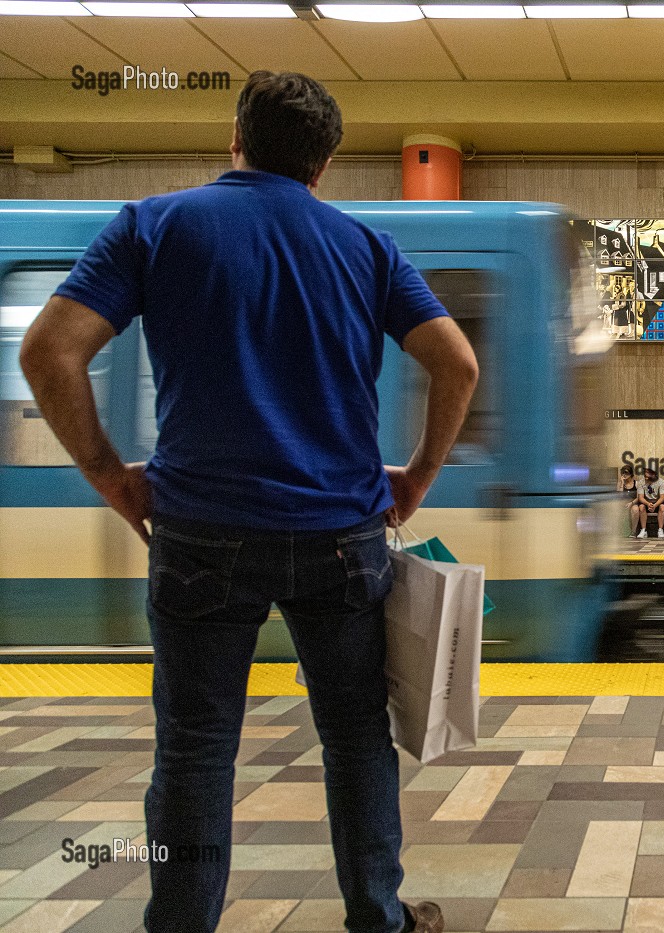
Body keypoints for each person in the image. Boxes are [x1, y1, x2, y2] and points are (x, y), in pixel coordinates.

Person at [17, 72, 465, 933]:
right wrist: (415, 478)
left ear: (236, 136)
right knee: (355, 738)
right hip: (341, 534)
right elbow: (457, 363)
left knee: (193, 749)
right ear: (324, 162)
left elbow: (49, 354)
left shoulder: (154, 224)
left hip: (197, 536)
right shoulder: (366, 247)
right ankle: (379, 916)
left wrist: (112, 475)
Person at [637, 466, 664, 538]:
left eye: (648, 475)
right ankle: (643, 530)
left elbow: (662, 497)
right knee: (641, 507)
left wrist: (655, 505)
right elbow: (640, 497)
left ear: (654, 474)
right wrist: (648, 504)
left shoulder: (661, 481)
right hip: (646, 501)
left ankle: (660, 529)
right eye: (645, 475)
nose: (646, 477)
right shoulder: (641, 482)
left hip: (657, 502)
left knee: (662, 507)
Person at [618, 465, 642, 537]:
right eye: (623, 473)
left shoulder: (637, 483)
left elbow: (638, 497)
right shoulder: (620, 483)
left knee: (635, 509)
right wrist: (622, 484)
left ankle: (633, 531)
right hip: (622, 503)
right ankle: (621, 531)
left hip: (633, 502)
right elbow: (619, 497)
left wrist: (631, 503)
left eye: (626, 473)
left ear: (631, 474)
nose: (624, 475)